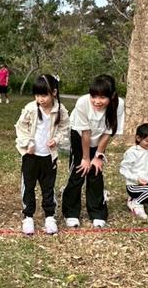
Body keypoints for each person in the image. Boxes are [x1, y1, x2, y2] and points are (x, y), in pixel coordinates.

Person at [61, 74, 125, 228]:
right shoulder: (83, 102)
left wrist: (98, 156)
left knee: (95, 172)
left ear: (112, 96)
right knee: (79, 171)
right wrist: (85, 158)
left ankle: (97, 212)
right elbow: (85, 133)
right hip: (80, 136)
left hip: (100, 139)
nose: (97, 101)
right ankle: (71, 212)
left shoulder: (118, 105)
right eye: (94, 96)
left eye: (102, 97)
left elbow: (109, 132)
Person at [14, 74, 69, 235]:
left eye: (44, 95)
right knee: (28, 186)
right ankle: (28, 216)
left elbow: (65, 127)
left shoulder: (60, 110)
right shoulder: (31, 108)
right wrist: (28, 143)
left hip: (48, 156)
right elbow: (20, 127)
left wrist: (57, 139)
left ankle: (50, 216)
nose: (40, 99)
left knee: (48, 187)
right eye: (37, 95)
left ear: (54, 93)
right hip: (31, 156)